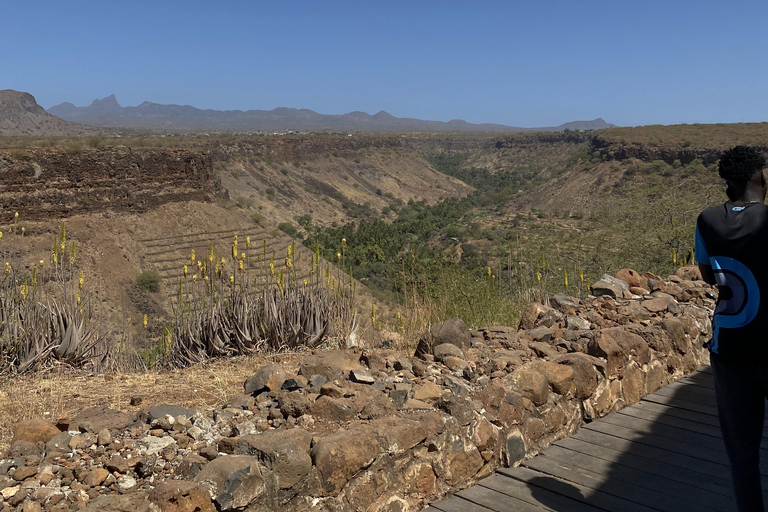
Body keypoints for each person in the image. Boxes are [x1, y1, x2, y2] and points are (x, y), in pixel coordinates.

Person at [695, 145, 768, 512]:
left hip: (731, 347)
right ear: (761, 177)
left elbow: (709, 276)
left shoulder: (707, 220)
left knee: (742, 455)